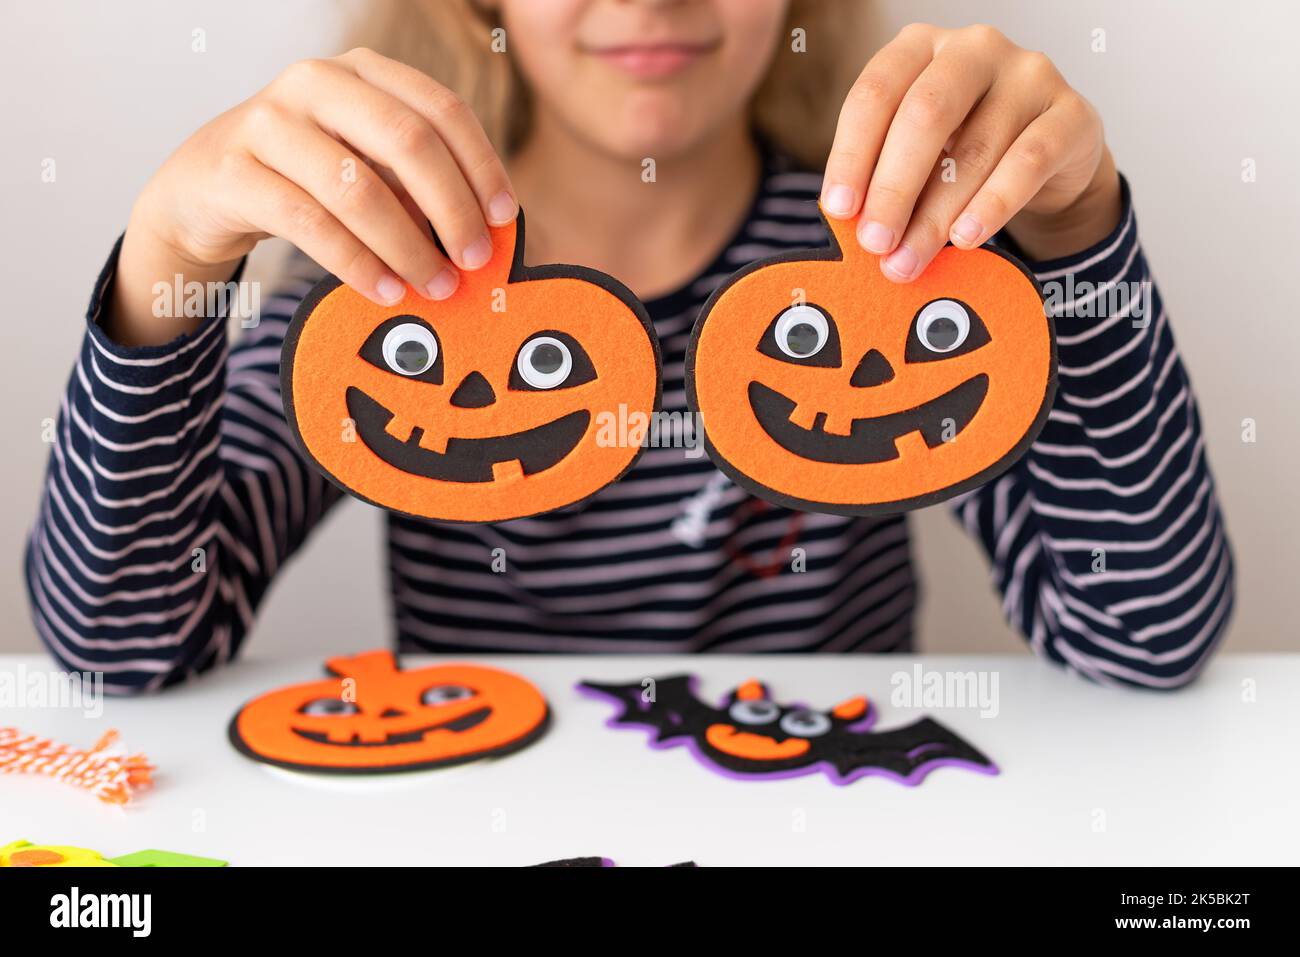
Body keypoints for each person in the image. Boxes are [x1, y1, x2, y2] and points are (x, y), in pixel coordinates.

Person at [25, 0, 1233, 693]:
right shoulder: (386, 303)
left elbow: (1145, 637)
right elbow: (122, 648)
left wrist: (1076, 241)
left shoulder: (899, 282)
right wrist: (171, 263)